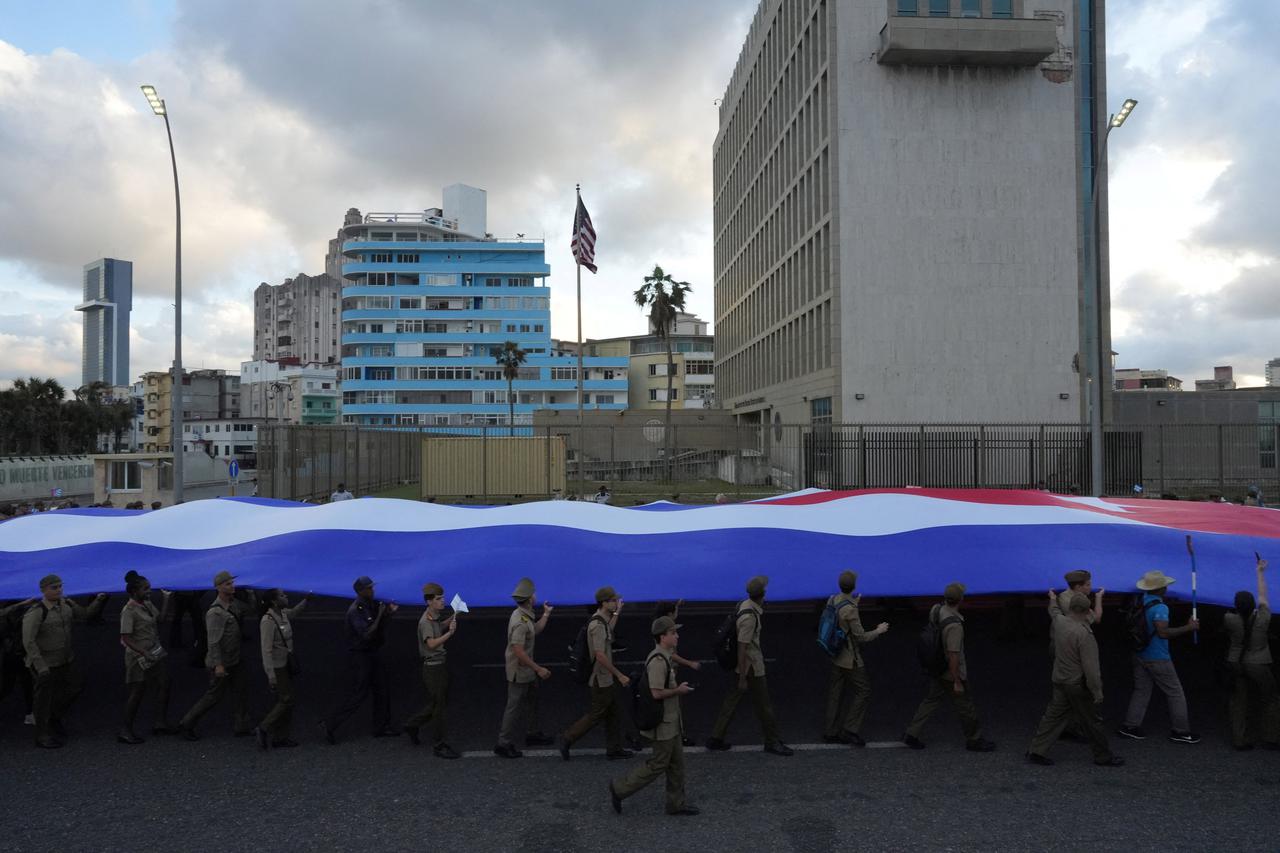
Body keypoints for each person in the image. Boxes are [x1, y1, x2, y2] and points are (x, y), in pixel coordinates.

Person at [608, 616, 699, 816]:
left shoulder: (665, 655)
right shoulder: (658, 661)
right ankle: (620, 789)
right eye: (673, 632)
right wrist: (679, 691)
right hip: (663, 724)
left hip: (671, 722)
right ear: (662, 636)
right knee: (658, 764)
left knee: (677, 764)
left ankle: (676, 804)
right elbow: (657, 692)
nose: (677, 635)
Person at [1025, 591, 1124, 766]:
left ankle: (1036, 750)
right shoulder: (1084, 635)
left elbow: (1053, 611)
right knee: (1092, 721)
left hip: (1059, 679)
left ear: (1070, 608)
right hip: (1077, 684)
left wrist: (1053, 599)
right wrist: (1097, 691)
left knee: (1053, 716)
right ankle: (1103, 756)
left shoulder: (1060, 622)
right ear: (1088, 611)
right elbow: (1091, 669)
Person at [902, 583, 996, 752]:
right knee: (966, 707)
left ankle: (912, 733)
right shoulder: (955, 626)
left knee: (930, 700)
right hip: (949, 672)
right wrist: (957, 680)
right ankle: (974, 739)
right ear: (960, 599)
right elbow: (953, 655)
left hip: (936, 666)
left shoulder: (936, 609)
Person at [706, 575, 793, 756]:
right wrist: (744, 676)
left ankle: (716, 737)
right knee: (764, 706)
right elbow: (743, 646)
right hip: (751, 666)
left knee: (732, 700)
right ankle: (772, 740)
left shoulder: (743, 606)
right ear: (763, 593)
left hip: (744, 665)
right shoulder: (750, 617)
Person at [21, 576, 108, 747]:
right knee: (43, 700)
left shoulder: (66, 604)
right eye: (54, 587)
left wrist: (99, 600)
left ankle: (54, 717)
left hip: (65, 659)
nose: (59, 590)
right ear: (44, 590)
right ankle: (42, 735)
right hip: (45, 663)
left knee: (75, 686)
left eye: (60, 586)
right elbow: (28, 641)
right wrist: (40, 666)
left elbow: (85, 614)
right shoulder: (37, 611)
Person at [1118, 570, 1200, 744]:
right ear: (1160, 588)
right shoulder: (1160, 608)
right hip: (1157, 656)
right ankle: (1181, 731)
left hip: (1139, 652)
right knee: (1175, 692)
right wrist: (1189, 628)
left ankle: (1130, 726)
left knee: (1141, 690)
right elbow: (1163, 633)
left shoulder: (1140, 601)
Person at [320, 576, 398, 743]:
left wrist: (388, 614)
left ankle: (381, 726)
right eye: (369, 588)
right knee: (358, 694)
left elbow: (380, 626)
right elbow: (367, 634)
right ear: (360, 591)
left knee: (382, 690)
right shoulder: (355, 610)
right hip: (361, 655)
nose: (373, 590)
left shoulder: (371, 604)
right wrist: (381, 616)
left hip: (373, 653)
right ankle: (330, 724)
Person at [560, 586, 633, 761]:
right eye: (613, 601)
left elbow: (609, 632)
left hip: (604, 678)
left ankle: (614, 748)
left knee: (613, 712)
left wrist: (617, 613)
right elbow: (600, 655)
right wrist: (619, 675)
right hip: (600, 679)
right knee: (596, 714)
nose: (616, 603)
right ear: (604, 602)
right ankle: (568, 737)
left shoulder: (600, 621)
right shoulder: (597, 625)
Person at [179, 571, 255, 740]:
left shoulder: (234, 604)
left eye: (232, 583)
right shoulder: (215, 613)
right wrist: (218, 665)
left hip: (235, 658)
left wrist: (251, 595)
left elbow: (251, 610)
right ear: (219, 587)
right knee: (213, 696)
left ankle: (241, 725)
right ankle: (187, 723)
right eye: (228, 584)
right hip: (222, 661)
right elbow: (213, 642)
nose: (232, 586)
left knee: (240, 691)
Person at [823, 570, 888, 746]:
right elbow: (861, 636)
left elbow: (840, 617)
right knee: (864, 690)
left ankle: (830, 730)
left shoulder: (833, 599)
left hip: (834, 653)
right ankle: (849, 729)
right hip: (849, 657)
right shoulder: (850, 609)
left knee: (836, 693)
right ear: (854, 586)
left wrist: (854, 604)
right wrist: (879, 630)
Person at [494, 577, 554, 758]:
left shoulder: (524, 614)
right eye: (533, 594)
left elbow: (534, 630)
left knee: (532, 701)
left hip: (526, 671)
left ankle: (532, 733)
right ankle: (503, 743)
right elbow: (518, 651)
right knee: (513, 707)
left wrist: (546, 615)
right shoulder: (520, 621)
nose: (535, 596)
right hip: (520, 671)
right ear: (529, 599)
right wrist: (538, 669)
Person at [1224, 557, 1279, 750]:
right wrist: (1260, 572)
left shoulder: (1229, 619)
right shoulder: (1263, 618)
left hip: (1235, 662)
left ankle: (1239, 739)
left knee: (1238, 701)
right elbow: (1263, 596)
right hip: (1258, 662)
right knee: (1270, 698)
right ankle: (1271, 737)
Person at [403, 582, 460, 759]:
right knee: (439, 707)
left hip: (440, 665)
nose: (443, 601)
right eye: (438, 599)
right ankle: (439, 744)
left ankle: (412, 724)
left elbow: (439, 627)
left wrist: (453, 616)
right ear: (429, 601)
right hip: (433, 668)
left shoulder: (433, 617)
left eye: (442, 598)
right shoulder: (426, 621)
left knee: (439, 703)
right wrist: (450, 634)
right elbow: (432, 643)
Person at [118, 571, 176, 744]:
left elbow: (161, 619)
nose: (149, 591)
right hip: (138, 657)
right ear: (135, 591)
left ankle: (160, 723)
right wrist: (144, 652)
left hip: (154, 653)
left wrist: (167, 599)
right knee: (137, 692)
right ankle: (125, 730)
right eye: (145, 589)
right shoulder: (129, 611)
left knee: (164, 684)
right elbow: (126, 637)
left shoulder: (147, 604)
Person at [256, 588, 311, 750]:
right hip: (278, 666)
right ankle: (264, 727)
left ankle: (281, 736)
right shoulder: (268, 620)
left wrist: (307, 600)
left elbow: (294, 612)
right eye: (282, 595)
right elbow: (266, 650)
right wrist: (270, 674)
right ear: (274, 601)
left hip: (286, 663)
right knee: (286, 699)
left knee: (288, 701)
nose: (286, 596)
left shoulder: (283, 613)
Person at [1, 597, 37, 727]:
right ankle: (31, 713)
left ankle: (31, 712)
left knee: (13, 685)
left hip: (13, 654)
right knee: (24, 683)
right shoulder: (20, 618)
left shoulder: (8, 620)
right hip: (17, 654)